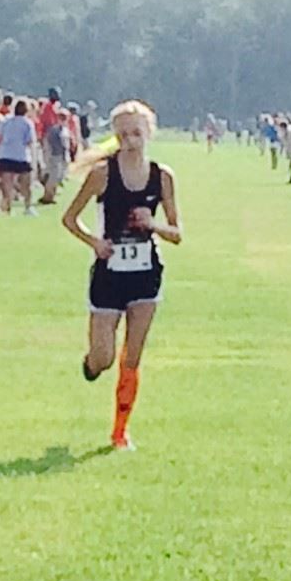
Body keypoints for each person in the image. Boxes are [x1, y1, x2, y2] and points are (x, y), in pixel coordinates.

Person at [61, 101, 180, 450]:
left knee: (132, 356)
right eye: (123, 134)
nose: (130, 140)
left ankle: (120, 431)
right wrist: (94, 242)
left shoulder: (163, 176)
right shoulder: (103, 175)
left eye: (136, 133)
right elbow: (70, 219)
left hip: (146, 275)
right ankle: (91, 362)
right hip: (109, 275)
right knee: (105, 357)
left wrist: (153, 224)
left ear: (149, 133)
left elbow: (177, 232)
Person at [0, 99, 37, 216]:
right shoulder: (27, 123)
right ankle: (28, 206)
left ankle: (7, 207)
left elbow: (0, 135)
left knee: (7, 184)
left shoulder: (6, 121)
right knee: (26, 184)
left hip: (6, 155)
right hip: (21, 156)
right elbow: (29, 141)